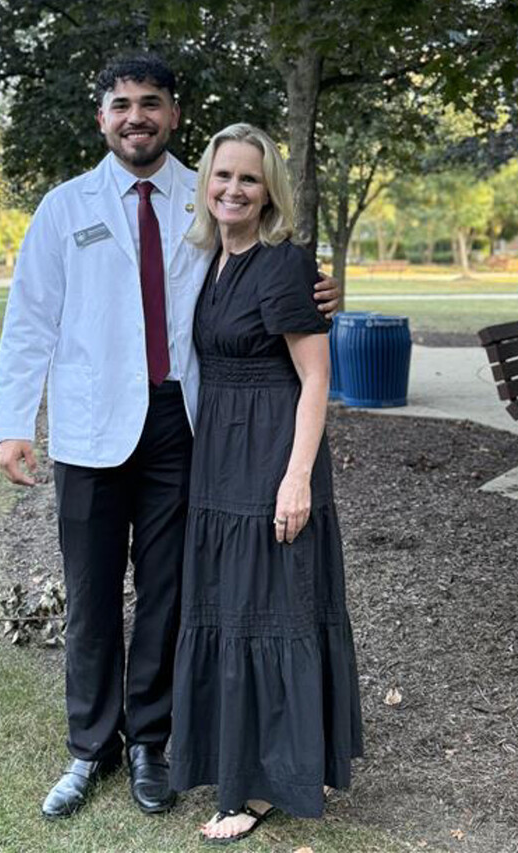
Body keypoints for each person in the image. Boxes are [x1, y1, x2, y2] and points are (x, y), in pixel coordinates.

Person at [0, 54, 339, 821]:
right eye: (121, 104)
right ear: (102, 117)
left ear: (174, 115)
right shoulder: (65, 207)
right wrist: (13, 422)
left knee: (166, 594)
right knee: (90, 596)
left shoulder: (205, 197)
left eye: (151, 102)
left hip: (184, 426)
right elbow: (30, 319)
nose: (136, 116)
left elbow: (264, 269)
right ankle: (91, 747)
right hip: (89, 429)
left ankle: (151, 740)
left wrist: (318, 291)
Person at [169, 123, 363, 844]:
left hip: (272, 454)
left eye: (249, 178)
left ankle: (258, 785)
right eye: (223, 175)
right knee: (235, 609)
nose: (233, 189)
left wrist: (297, 478)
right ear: (206, 184)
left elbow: (315, 377)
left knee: (268, 610)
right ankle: (251, 760)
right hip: (218, 454)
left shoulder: (283, 264)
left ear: (269, 190)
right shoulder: (208, 260)